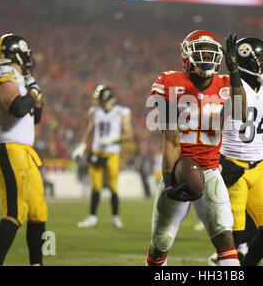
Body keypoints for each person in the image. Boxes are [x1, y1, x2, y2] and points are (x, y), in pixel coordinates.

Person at [145, 30, 246, 266]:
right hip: (180, 169)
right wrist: (169, 182)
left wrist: (234, 72)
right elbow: (171, 139)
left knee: (224, 235)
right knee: (161, 243)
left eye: (212, 53)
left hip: (211, 171)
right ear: (186, 56)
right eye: (201, 52)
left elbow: (241, 112)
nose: (207, 58)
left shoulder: (225, 83)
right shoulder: (170, 81)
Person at [214, 36, 263, 266]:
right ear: (245, 61)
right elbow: (217, 123)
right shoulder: (227, 86)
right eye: (262, 60)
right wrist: (217, 160)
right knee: (233, 234)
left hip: (259, 166)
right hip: (233, 163)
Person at [0, 33, 47, 265]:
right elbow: (19, 107)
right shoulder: (2, 73)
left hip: (25, 152)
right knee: (15, 211)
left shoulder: (19, 77)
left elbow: (36, 115)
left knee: (38, 212)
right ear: (17, 53)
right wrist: (33, 92)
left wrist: (36, 95)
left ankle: (37, 263)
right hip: (7, 148)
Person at [72, 85, 133, 229]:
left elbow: (129, 134)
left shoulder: (120, 112)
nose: (96, 102)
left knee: (113, 186)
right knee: (96, 186)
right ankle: (92, 217)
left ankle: (115, 218)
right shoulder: (95, 112)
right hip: (97, 152)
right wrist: (82, 145)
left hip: (112, 153)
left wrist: (113, 140)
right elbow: (90, 129)